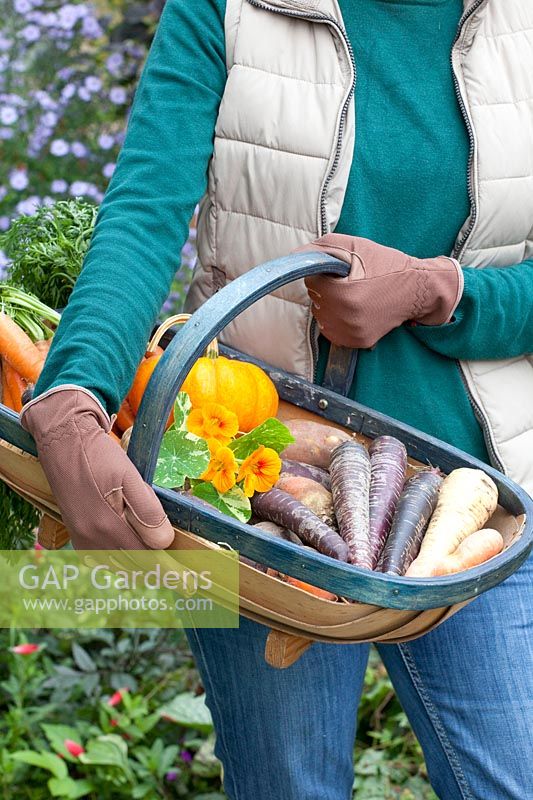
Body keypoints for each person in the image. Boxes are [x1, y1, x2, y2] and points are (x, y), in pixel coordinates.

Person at [20, 1, 533, 797]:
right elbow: (144, 212)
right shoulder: (224, 9)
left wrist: (442, 291)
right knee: (285, 785)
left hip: (480, 502)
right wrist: (75, 389)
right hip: (255, 485)